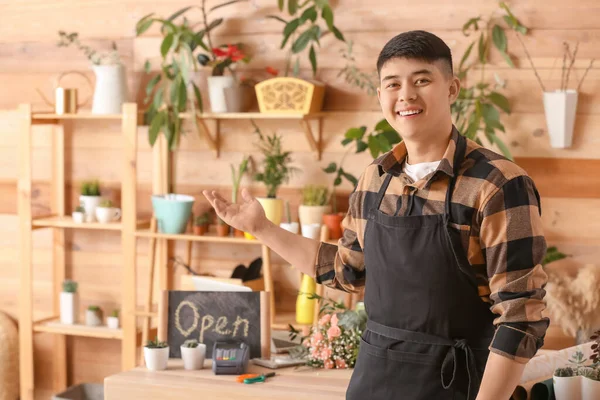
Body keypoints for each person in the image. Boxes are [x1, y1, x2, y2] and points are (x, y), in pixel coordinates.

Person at [203, 30, 549, 400]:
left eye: (422, 80)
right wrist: (261, 228)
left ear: (452, 89)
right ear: (381, 96)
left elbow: (520, 317)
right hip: (374, 382)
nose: (406, 95)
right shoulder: (375, 179)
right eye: (393, 84)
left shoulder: (497, 184)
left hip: (461, 385)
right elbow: (347, 271)